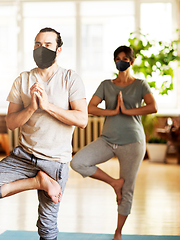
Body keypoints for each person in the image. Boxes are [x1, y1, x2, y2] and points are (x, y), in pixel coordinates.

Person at [0, 27, 88, 240]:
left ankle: (44, 179)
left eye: (47, 45)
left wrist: (46, 105)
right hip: (24, 157)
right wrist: (32, 108)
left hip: (55, 163)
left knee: (46, 227)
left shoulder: (70, 79)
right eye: (37, 44)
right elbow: (10, 122)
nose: (41, 49)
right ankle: (38, 181)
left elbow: (82, 120)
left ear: (59, 50)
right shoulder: (22, 80)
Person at [70, 45, 158, 240]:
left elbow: (153, 107)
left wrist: (127, 111)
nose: (121, 61)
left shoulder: (140, 84)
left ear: (132, 61)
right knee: (78, 162)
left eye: (125, 58)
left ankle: (118, 233)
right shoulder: (106, 85)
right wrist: (112, 111)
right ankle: (113, 183)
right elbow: (90, 108)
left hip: (132, 142)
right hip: (108, 140)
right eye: (118, 58)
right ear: (114, 61)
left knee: (128, 189)